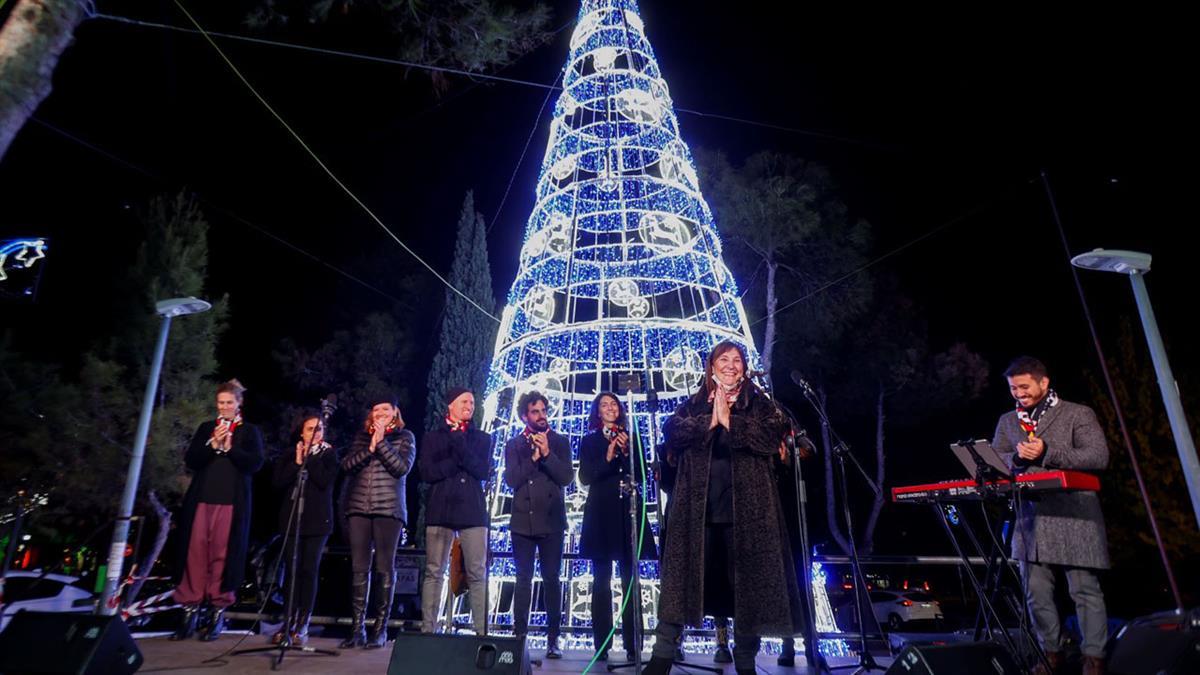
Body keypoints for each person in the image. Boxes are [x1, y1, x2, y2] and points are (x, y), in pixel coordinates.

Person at [643, 341, 804, 675]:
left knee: (747, 592)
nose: (731, 365)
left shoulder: (759, 403)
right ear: (712, 366)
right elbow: (671, 431)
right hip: (697, 515)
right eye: (724, 359)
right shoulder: (695, 404)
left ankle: (745, 662)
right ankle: (660, 659)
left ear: (744, 367)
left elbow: (770, 436)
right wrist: (709, 422)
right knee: (680, 588)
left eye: (737, 360)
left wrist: (732, 422)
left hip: (748, 515)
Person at [993, 357, 1110, 675]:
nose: (1018, 393)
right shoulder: (1007, 421)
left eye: (1024, 386)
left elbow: (1097, 456)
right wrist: (1016, 458)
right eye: (1013, 388)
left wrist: (1047, 452)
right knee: (1036, 593)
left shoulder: (1077, 413)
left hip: (1075, 514)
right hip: (1031, 517)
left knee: (1084, 590)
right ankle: (1050, 654)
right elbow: (997, 459)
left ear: (1043, 383)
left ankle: (1094, 658)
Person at [171, 379, 265, 641]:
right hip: (202, 499)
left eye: (229, 402)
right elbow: (191, 460)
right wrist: (212, 445)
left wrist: (230, 448)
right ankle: (189, 612)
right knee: (195, 554)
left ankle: (216, 613)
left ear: (239, 403)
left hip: (231, 503)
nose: (224, 407)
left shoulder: (249, 431)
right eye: (220, 403)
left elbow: (255, 463)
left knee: (222, 556)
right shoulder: (206, 428)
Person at [578, 392, 657, 663]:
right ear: (597, 412)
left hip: (627, 513)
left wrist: (626, 453)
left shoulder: (633, 438)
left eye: (613, 404)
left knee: (630, 579)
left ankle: (634, 644)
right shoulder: (590, 441)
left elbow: (643, 475)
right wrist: (609, 456)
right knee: (601, 580)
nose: (610, 408)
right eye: (604, 405)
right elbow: (585, 476)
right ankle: (602, 644)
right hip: (601, 513)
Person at [338, 396, 416, 649]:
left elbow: (401, 468)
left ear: (395, 412)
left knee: (384, 567)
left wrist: (381, 443)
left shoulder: (405, 437)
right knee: (359, 568)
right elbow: (347, 465)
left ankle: (380, 629)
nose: (380, 412)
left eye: (385, 408)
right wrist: (370, 447)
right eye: (376, 409)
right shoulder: (362, 438)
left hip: (388, 509)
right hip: (359, 507)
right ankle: (357, 629)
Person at [503, 391, 573, 660]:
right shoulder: (514, 444)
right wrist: (532, 459)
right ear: (525, 416)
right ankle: (519, 637)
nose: (542, 416)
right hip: (522, 521)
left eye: (544, 410)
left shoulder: (560, 442)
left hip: (552, 521)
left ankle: (553, 639)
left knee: (552, 580)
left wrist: (546, 454)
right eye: (535, 411)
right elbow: (511, 480)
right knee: (523, 580)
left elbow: (566, 477)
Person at [420, 387, 492, 635]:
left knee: (477, 572)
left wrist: (460, 445)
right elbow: (428, 473)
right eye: (464, 402)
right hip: (441, 508)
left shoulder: (482, 438)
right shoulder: (433, 438)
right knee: (434, 571)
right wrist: (456, 462)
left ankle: (481, 632)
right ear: (450, 405)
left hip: (472, 509)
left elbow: (482, 470)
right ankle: (428, 631)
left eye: (472, 402)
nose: (469, 406)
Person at [270, 411, 337, 645]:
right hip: (292, 519)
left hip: (318, 522)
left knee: (309, 570)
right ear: (301, 432)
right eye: (310, 429)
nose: (315, 433)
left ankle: (303, 622)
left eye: (319, 429)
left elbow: (324, 481)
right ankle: (287, 620)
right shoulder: (291, 454)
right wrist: (298, 462)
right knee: (292, 569)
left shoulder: (329, 454)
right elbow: (278, 482)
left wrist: (312, 457)